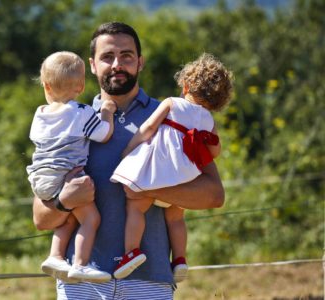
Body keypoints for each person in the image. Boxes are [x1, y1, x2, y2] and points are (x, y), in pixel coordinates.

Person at [33, 22, 225, 300]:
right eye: (107, 57)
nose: (117, 64)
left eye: (126, 56)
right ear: (92, 66)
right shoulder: (71, 120)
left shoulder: (174, 117)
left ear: (140, 62)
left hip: (149, 282)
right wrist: (65, 200)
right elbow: (41, 218)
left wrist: (148, 189)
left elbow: (214, 195)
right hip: (81, 284)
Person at [110, 53, 233, 282]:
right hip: (183, 176)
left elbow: (147, 128)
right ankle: (179, 260)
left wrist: (129, 148)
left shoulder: (172, 103)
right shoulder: (209, 120)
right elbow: (214, 152)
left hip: (157, 170)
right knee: (176, 218)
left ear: (185, 85)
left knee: (136, 207)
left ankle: (131, 253)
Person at [26, 51, 116, 282]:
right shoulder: (81, 112)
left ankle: (55, 255)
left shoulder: (39, 114)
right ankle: (80, 264)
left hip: (40, 179)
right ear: (81, 86)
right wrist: (106, 112)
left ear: (46, 86)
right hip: (67, 178)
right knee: (90, 219)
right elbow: (104, 134)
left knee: (69, 216)